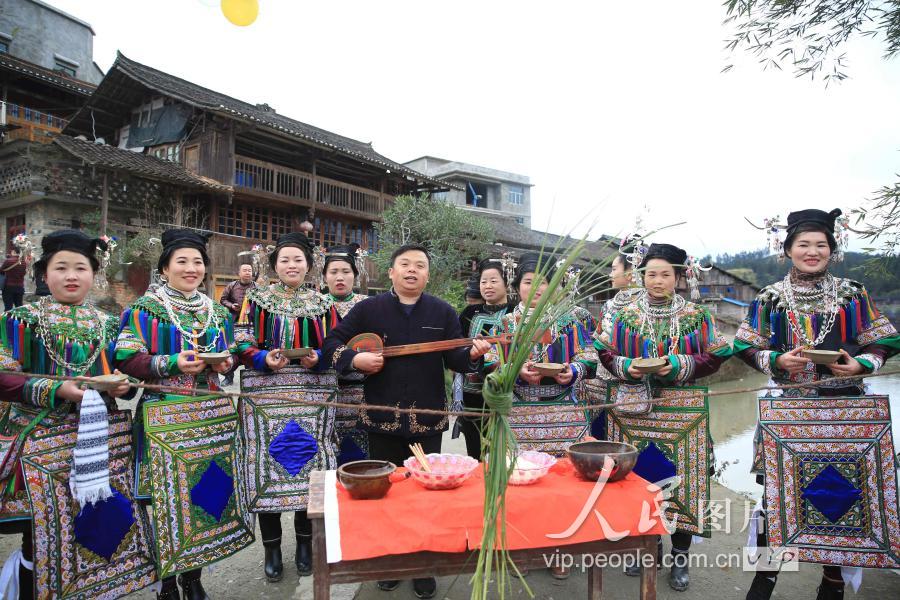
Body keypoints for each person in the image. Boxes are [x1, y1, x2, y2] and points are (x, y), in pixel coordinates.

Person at [734, 209, 900, 600]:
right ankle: (765, 577)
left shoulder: (851, 293)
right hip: (788, 411)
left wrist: (861, 363)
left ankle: (833, 582)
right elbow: (744, 344)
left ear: (832, 249)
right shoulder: (769, 297)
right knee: (774, 497)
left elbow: (886, 338)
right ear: (787, 249)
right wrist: (775, 361)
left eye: (821, 245)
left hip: (845, 410)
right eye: (803, 244)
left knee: (841, 495)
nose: (812, 251)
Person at [322, 244, 490, 600]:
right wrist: (356, 359)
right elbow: (332, 343)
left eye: (420, 265)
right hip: (381, 418)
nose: (412, 270)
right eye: (405, 264)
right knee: (388, 493)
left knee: (427, 494)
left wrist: (472, 354)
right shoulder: (368, 308)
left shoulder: (442, 311)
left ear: (428, 274)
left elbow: (456, 359)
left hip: (428, 420)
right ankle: (389, 560)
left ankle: (424, 563)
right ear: (391, 272)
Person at [0, 230, 153, 599]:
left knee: (95, 526)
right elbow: (4, 376)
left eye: (80, 268)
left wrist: (123, 385)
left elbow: (126, 369)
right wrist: (56, 390)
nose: (71, 276)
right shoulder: (20, 319)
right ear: (43, 274)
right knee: (40, 533)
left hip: (102, 442)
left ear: (94, 274)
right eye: (61, 268)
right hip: (41, 442)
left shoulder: (110, 323)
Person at [116, 228, 252, 600]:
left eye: (197, 262)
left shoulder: (217, 313)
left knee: (203, 497)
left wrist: (226, 363)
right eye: (182, 262)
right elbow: (127, 358)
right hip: (163, 416)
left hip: (209, 415)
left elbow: (233, 354)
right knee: (163, 501)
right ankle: (166, 584)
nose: (191, 269)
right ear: (164, 268)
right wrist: (170, 362)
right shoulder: (144, 312)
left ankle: (193, 577)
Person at [595, 242, 731, 592]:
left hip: (682, 411)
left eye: (665, 274)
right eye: (651, 273)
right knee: (639, 481)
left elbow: (715, 357)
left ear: (679, 277)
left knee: (684, 483)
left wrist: (679, 365)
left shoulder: (696, 315)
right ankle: (649, 548)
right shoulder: (624, 313)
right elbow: (604, 351)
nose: (657, 280)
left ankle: (680, 557)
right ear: (641, 276)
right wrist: (627, 366)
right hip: (635, 410)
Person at [234, 232, 336, 583]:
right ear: (274, 265)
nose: (292, 265)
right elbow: (243, 340)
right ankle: (272, 548)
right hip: (267, 394)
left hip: (312, 394)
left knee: (309, 469)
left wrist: (318, 357)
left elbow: (336, 345)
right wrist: (263, 356)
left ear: (309, 265)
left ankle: (305, 545)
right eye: (285, 260)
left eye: (298, 260)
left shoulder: (322, 304)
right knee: (269, 467)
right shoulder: (257, 298)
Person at [456, 258, 516, 459]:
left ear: (506, 283)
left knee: (504, 453)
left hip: (507, 393)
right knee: (475, 452)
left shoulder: (515, 312)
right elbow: (457, 347)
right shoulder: (469, 313)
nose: (487, 286)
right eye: (484, 282)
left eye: (493, 281)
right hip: (472, 393)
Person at [322, 243, 368, 465]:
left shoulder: (369, 306)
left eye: (346, 272)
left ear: (355, 276)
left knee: (359, 455)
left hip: (362, 392)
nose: (340, 277)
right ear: (324, 277)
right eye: (333, 272)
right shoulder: (314, 306)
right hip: (324, 389)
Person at [219, 263, 256, 386]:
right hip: (233, 324)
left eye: (249, 270)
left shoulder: (257, 287)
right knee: (231, 349)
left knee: (250, 349)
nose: (247, 272)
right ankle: (229, 377)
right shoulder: (231, 286)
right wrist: (231, 305)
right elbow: (223, 300)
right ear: (239, 273)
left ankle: (249, 377)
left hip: (251, 324)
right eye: (245, 270)